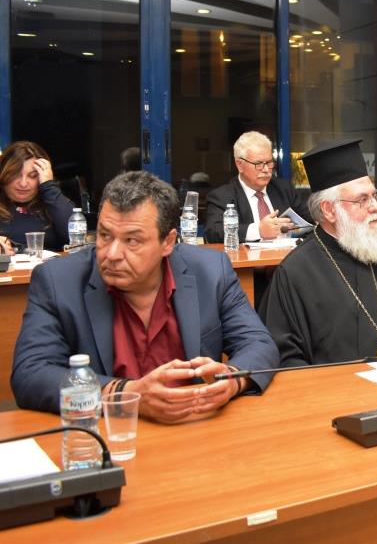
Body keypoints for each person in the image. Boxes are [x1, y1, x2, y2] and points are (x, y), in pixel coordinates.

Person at [11, 171, 278, 422]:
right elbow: (31, 374)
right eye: (105, 235)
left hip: (196, 425)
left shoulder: (210, 271)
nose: (112, 254)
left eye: (132, 241)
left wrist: (231, 380)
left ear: (168, 242)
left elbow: (258, 344)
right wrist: (126, 395)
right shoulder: (58, 280)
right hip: (110, 433)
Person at [261, 139, 377, 364]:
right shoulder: (295, 273)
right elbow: (286, 359)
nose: (376, 207)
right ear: (329, 210)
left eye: (374, 196)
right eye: (362, 200)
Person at [204, 131, 305, 243]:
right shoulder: (222, 196)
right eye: (259, 164)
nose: (266, 169)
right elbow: (213, 232)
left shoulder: (284, 189)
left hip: (287, 253)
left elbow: (310, 221)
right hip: (247, 254)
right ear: (240, 165)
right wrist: (258, 230)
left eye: (269, 163)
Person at [0, 140, 74, 253]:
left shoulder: (52, 201)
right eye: (16, 175)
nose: (23, 183)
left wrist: (49, 187)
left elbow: (75, 238)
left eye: (33, 176)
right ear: (3, 174)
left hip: (51, 264)